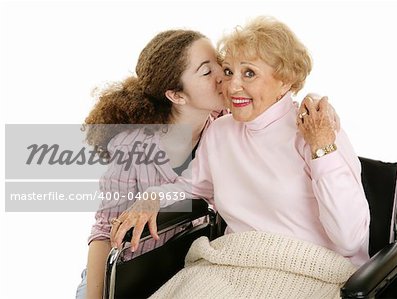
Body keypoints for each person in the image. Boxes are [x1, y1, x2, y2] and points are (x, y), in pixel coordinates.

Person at [110, 14, 370, 279]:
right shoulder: (221, 131)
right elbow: (192, 186)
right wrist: (153, 196)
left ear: (285, 81)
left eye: (249, 73)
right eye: (228, 71)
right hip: (236, 264)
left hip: (311, 269)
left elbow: (349, 240)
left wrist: (322, 148)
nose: (233, 86)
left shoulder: (316, 129)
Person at [76, 29, 226, 299]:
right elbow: (103, 231)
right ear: (177, 96)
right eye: (206, 72)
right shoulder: (130, 147)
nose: (222, 73)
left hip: (184, 268)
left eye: (219, 61)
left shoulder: (226, 123)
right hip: (128, 273)